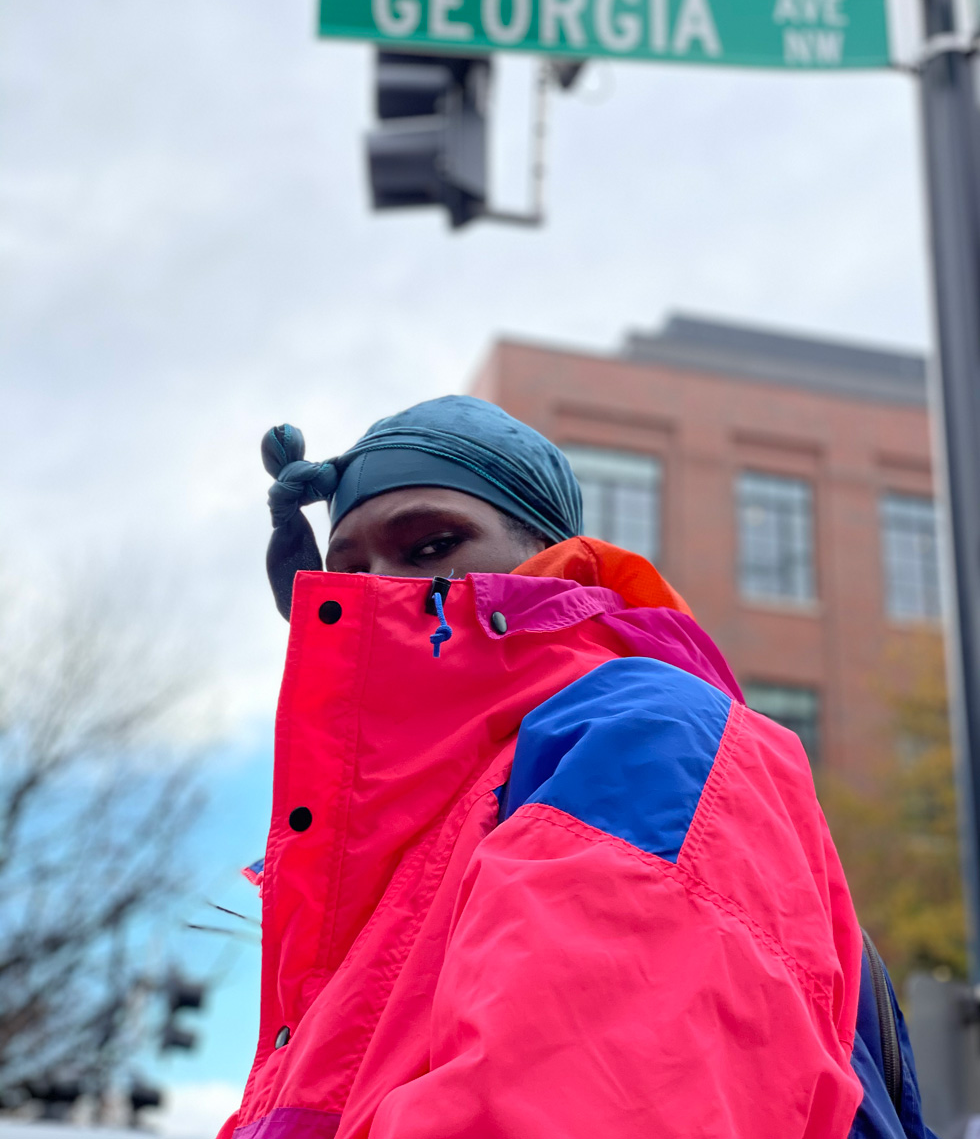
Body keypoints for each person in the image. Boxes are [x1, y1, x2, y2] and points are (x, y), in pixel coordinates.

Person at [218, 395, 933, 1139]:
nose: (382, 591)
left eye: (431, 545)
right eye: (351, 571)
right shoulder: (402, 849)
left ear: (547, 562)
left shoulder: (648, 732)